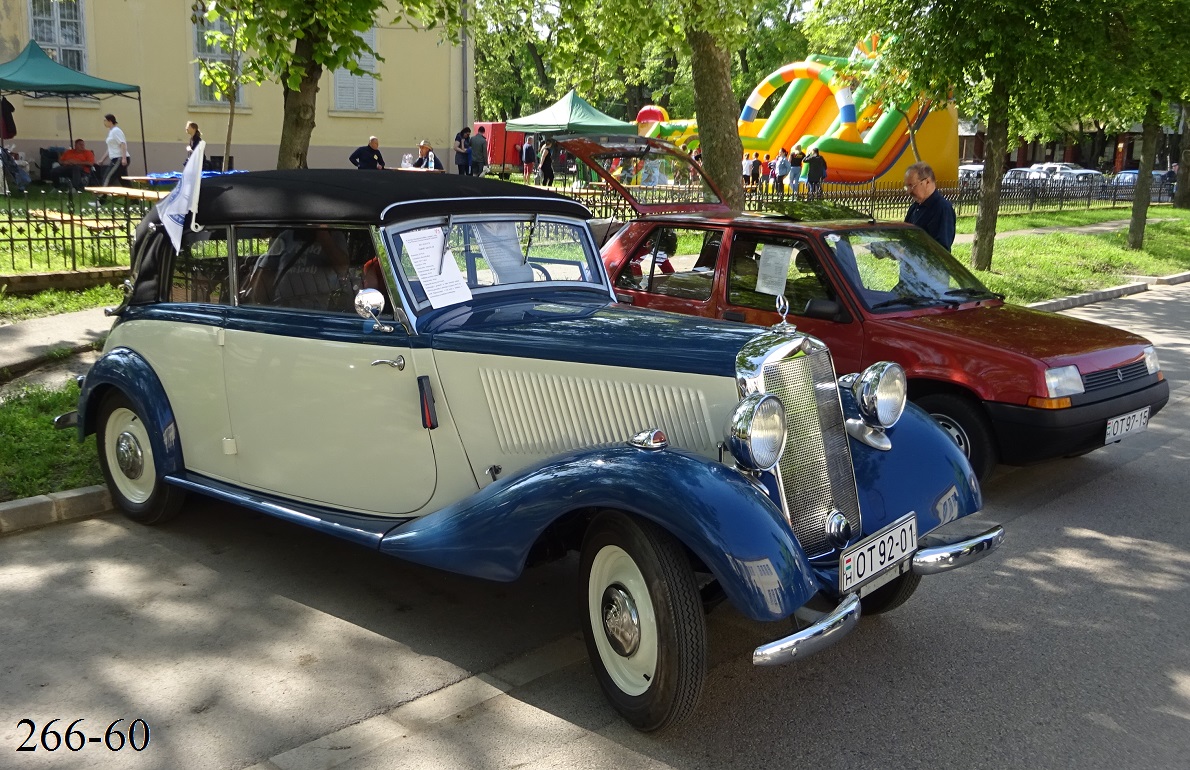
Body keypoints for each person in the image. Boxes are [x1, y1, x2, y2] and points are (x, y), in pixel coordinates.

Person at [903, 161, 956, 251]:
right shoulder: (915, 207)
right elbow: (905, 239)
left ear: (927, 182)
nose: (908, 191)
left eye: (911, 186)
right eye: (906, 187)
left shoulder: (942, 208)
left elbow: (941, 250)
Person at [99, 113, 130, 186]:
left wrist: (124, 158)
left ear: (110, 121)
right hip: (116, 158)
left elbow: (123, 144)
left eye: (105, 120)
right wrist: (102, 159)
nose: (104, 122)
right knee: (123, 180)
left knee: (107, 176)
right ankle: (134, 197)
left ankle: (102, 196)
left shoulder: (116, 131)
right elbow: (110, 149)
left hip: (119, 158)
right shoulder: (111, 132)